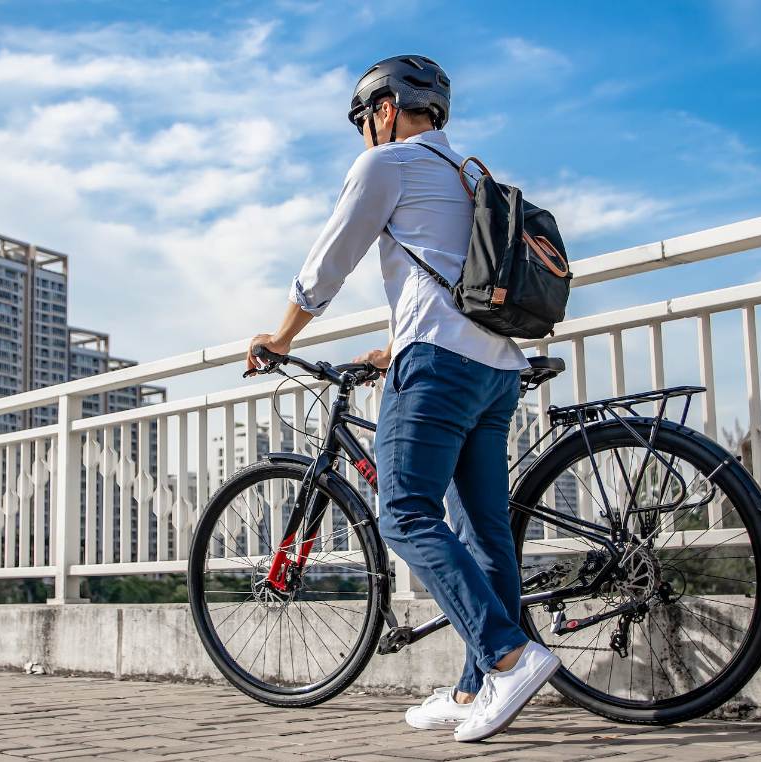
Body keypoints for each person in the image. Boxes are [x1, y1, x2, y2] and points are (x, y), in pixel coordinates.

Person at [245, 55, 560, 742]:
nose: (363, 134)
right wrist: (394, 345)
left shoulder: (385, 165)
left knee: (406, 516)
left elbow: (329, 261)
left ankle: (509, 656)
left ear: (384, 110)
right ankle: (478, 684)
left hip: (440, 367)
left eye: (364, 121)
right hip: (495, 368)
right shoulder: (466, 173)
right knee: (481, 529)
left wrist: (281, 334)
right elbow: (452, 273)